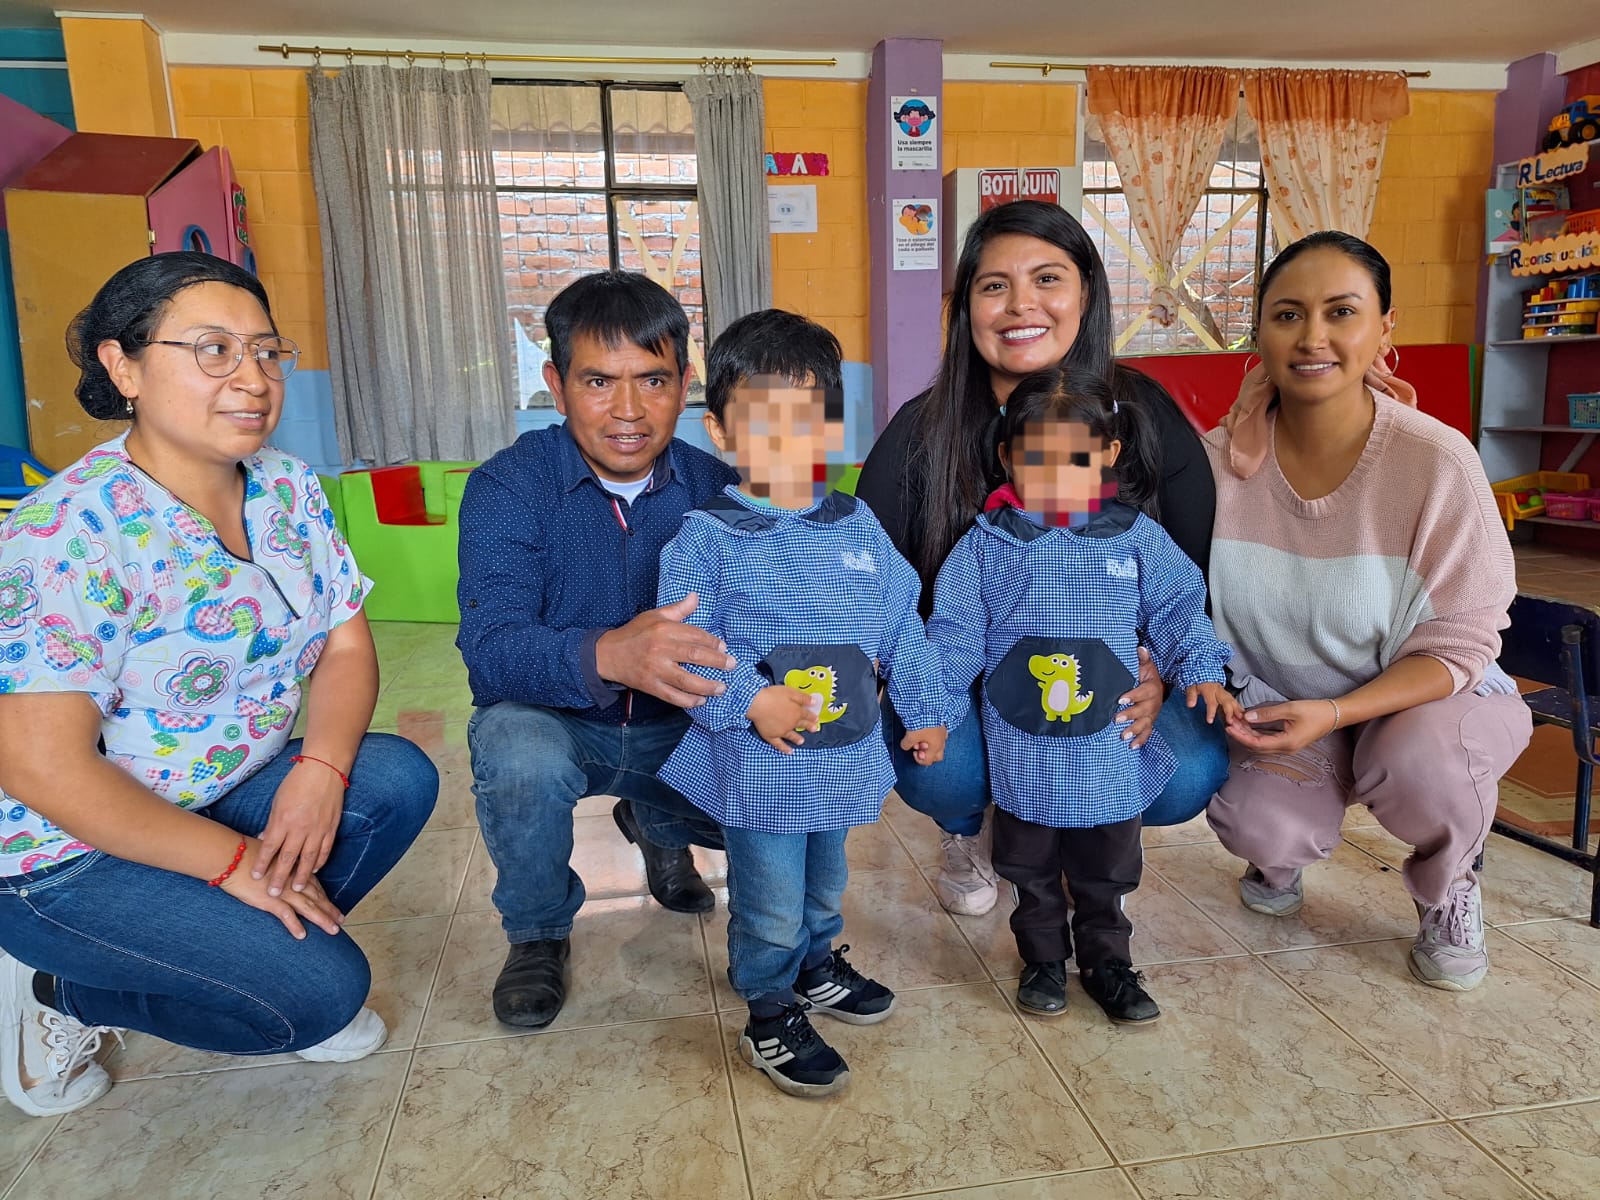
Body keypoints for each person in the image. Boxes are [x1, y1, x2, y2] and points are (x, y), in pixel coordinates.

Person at [0, 252, 436, 1119]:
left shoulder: (285, 487)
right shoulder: (69, 537)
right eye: (211, 350)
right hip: (68, 857)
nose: (252, 378)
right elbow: (42, 769)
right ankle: (56, 988)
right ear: (122, 365)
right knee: (318, 995)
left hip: (220, 789)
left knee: (391, 778)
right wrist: (236, 864)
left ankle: (244, 951)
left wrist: (319, 772)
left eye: (266, 352)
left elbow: (346, 646)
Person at [857, 199, 1227, 917]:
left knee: (1190, 770)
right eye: (993, 285)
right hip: (970, 669)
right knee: (935, 766)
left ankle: (1090, 823)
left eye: (1047, 278)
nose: (1020, 304)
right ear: (966, 307)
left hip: (1111, 667)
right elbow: (878, 588)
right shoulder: (922, 433)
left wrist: (1152, 663)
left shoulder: (1143, 415)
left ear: (1086, 293)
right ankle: (972, 828)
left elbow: (1190, 576)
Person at [1203, 231, 1534, 992]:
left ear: (1384, 328)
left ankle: (1450, 889)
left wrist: (1341, 710)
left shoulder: (1436, 460)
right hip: (1287, 707)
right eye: (1287, 314)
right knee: (1260, 818)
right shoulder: (1221, 464)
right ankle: (1280, 849)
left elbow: (1461, 641)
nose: (1312, 336)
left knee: (1418, 765)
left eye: (1341, 312)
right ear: (1260, 332)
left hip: (1423, 705)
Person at [656, 309, 949, 1097]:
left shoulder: (858, 522)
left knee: (825, 881)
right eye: (764, 419)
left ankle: (818, 966)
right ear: (721, 431)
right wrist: (753, 701)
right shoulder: (705, 537)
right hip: (763, 764)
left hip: (843, 755)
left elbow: (902, 624)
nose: (789, 439)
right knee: (771, 897)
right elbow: (688, 647)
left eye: (809, 416)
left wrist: (926, 707)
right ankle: (769, 1003)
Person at [456, 271, 738, 1030]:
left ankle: (662, 825)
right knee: (518, 752)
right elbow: (491, 648)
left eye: (652, 379)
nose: (627, 410)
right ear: (555, 383)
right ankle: (539, 930)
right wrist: (610, 654)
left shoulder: (722, 490)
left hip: (682, 727)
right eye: (597, 381)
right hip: (563, 723)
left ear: (685, 383)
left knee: (789, 757)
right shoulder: (507, 487)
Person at [930, 365, 1237, 1022]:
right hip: (1026, 749)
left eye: (1074, 459)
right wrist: (933, 703)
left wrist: (1201, 666)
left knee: (1108, 869)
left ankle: (1109, 962)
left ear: (1107, 455)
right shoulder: (987, 546)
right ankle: (1041, 958)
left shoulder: (1134, 539)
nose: (1054, 475)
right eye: (1034, 458)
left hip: (1108, 750)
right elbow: (955, 631)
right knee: (1031, 867)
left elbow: (1181, 609)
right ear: (1008, 456)